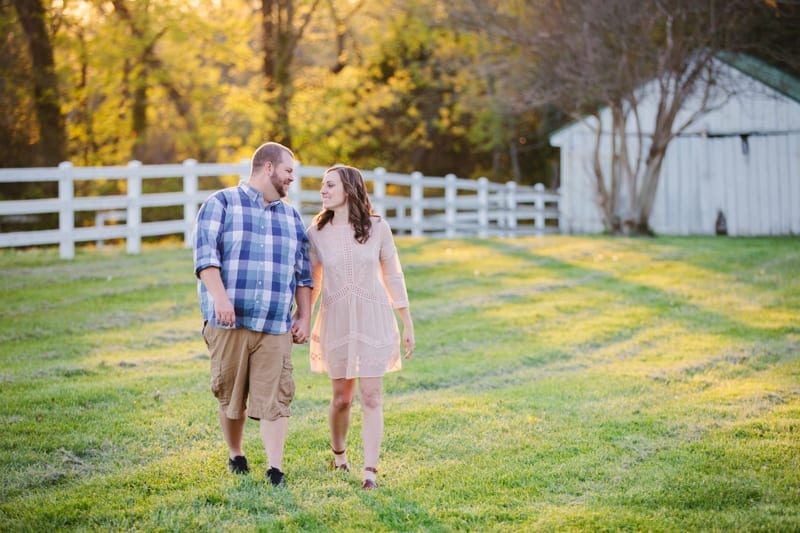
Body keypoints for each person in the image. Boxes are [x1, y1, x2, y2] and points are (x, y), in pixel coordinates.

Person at [193, 142, 312, 487]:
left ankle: (275, 468)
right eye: (289, 170)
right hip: (230, 321)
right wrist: (220, 298)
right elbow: (205, 258)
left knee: (276, 396)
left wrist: (303, 317)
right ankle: (236, 453)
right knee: (230, 395)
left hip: (275, 324)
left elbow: (303, 275)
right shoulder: (221, 204)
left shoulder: (292, 217)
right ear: (269, 168)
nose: (292, 178)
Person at [307, 165, 415, 490]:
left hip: (373, 317)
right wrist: (300, 320)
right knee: (342, 399)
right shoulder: (316, 232)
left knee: (371, 396)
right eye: (322, 186)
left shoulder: (378, 227)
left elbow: (393, 275)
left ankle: (370, 471)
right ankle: (339, 455)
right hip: (336, 319)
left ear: (349, 190)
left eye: (329, 185)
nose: (323, 191)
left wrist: (406, 320)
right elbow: (312, 282)